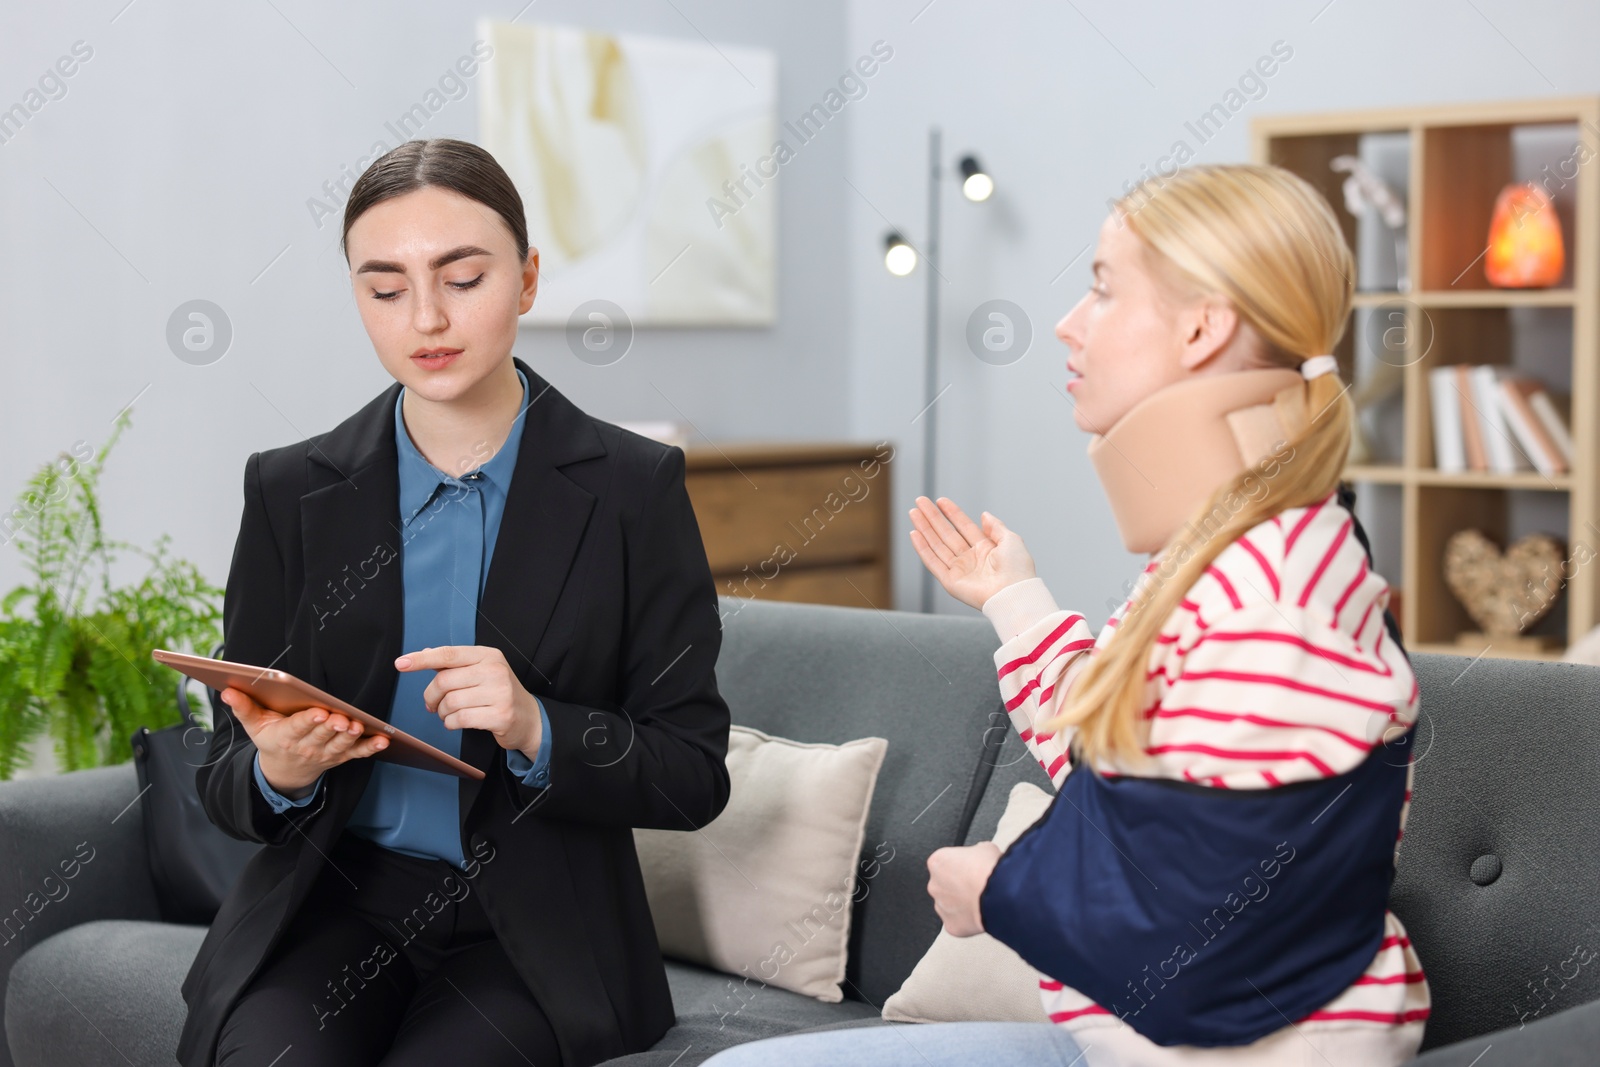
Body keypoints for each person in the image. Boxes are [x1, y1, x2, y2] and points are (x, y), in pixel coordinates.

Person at [701, 163, 1428, 1067]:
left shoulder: (1278, 593)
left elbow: (1208, 923)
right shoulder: (1231, 556)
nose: (1067, 323)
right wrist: (1015, 598)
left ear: (1203, 327)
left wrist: (1002, 890)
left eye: (1101, 288)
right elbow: (1125, 744)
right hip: (1131, 1038)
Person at [176, 137, 733, 1067]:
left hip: (534, 929)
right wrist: (280, 770)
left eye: (462, 278)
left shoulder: (635, 490)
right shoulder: (287, 490)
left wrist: (537, 726)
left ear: (526, 280)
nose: (425, 317)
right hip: (333, 904)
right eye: (385, 289)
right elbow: (228, 778)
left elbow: (692, 772)